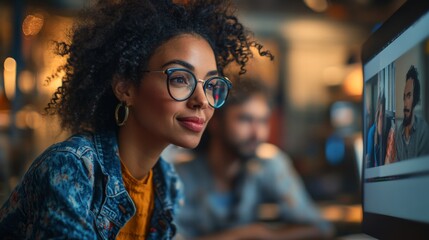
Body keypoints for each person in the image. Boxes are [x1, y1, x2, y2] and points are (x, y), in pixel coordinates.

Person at [0, 0, 272, 239]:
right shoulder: (72, 167)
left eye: (211, 84)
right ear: (126, 87)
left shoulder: (166, 183)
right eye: (179, 79)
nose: (202, 100)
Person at [173, 78, 334, 239]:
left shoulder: (268, 163)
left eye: (263, 121)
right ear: (215, 121)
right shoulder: (179, 174)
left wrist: (269, 236)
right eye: (245, 119)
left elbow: (319, 227)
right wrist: (242, 235)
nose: (257, 133)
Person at [394, 65, 429, 161]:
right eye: (404, 97)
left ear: (416, 100)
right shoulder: (398, 133)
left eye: (409, 96)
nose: (405, 103)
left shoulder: (423, 131)